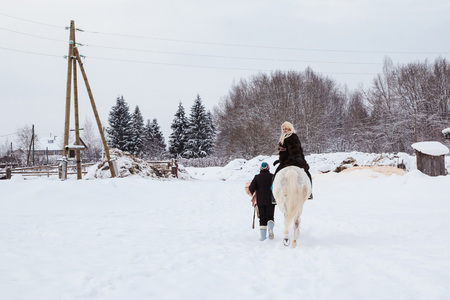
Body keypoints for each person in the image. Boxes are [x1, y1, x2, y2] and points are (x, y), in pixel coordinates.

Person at [273, 121, 313, 199]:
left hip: (292, 161)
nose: (284, 130)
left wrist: (296, 157)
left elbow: (294, 149)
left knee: (274, 177)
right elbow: (285, 153)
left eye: (286, 128)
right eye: (283, 129)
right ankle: (310, 193)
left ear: (290, 129)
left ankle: (273, 197)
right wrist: (279, 160)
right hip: (288, 161)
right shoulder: (283, 138)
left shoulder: (291, 136)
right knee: (307, 175)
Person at [248, 162, 275, 241]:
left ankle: (263, 238)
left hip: (260, 201)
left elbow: (251, 189)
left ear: (260, 169)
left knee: (262, 218)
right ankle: (270, 227)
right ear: (268, 168)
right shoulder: (272, 176)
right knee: (270, 217)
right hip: (271, 200)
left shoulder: (257, 177)